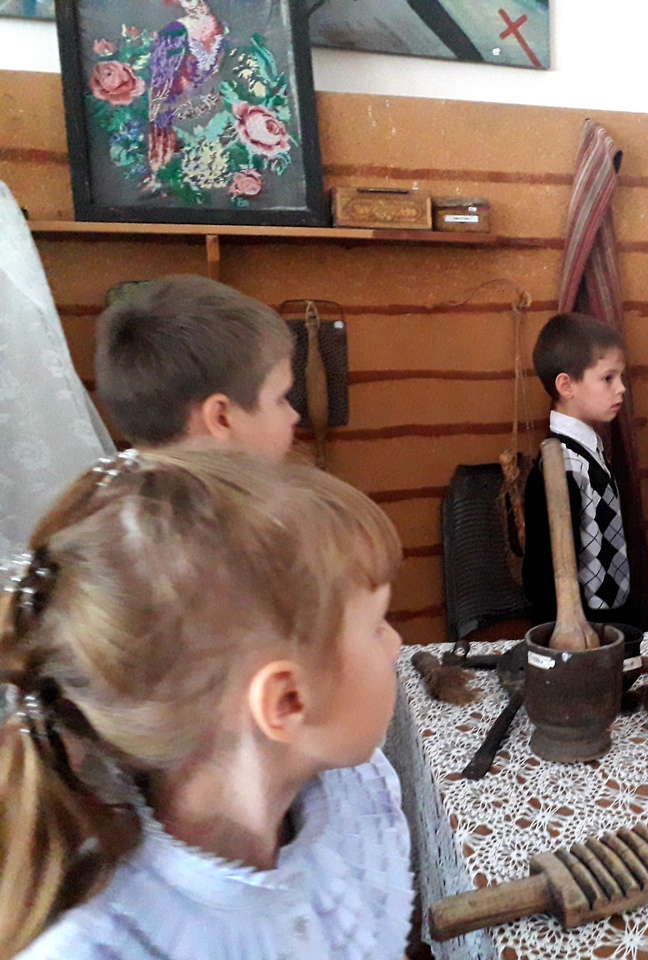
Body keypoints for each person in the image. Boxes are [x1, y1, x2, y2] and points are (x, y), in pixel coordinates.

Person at [2, 450, 414, 958]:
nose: (395, 644)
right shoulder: (111, 946)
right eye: (377, 625)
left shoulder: (353, 796)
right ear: (286, 702)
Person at [522, 312, 642, 631]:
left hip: (609, 622)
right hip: (581, 633)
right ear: (566, 385)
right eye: (608, 378)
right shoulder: (560, 466)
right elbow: (542, 576)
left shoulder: (588, 452)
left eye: (620, 377)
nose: (621, 389)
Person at [95, 275, 299, 460]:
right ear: (221, 418)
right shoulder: (242, 492)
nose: (294, 415)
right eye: (280, 399)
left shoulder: (106, 486)